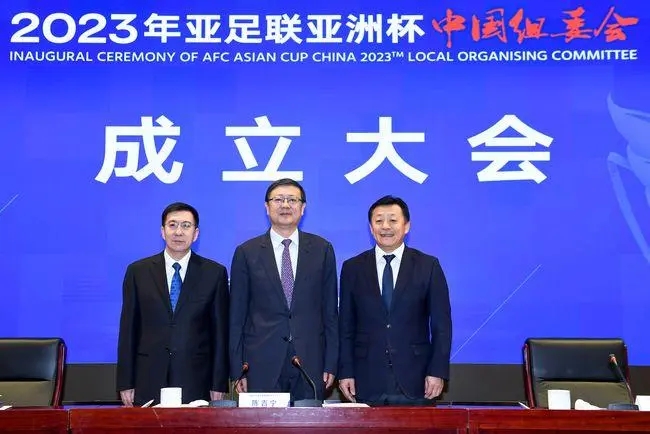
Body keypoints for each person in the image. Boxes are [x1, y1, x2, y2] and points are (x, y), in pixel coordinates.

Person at [229, 178, 338, 402]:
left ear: (303, 207)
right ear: (267, 206)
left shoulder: (322, 249)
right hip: (260, 363)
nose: (285, 205)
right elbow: (237, 317)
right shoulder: (246, 252)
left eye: (292, 200)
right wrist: (238, 367)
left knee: (310, 422)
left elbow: (330, 313)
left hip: (310, 361)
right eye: (278, 199)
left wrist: (331, 362)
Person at [338, 195, 452, 406]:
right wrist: (345, 372)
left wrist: (437, 371)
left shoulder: (428, 266)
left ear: (406, 226)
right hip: (366, 378)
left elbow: (441, 325)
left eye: (392, 220)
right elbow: (345, 326)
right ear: (371, 228)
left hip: (417, 379)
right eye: (379, 221)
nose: (385, 226)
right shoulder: (352, 268)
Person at [116, 202, 230, 406]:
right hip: (147, 377)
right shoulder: (138, 272)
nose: (178, 232)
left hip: (196, 378)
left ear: (196, 233)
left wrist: (219, 383)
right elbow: (128, 330)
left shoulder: (214, 273)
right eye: (172, 225)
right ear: (162, 231)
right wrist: (126, 381)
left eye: (186, 226)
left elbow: (220, 333)